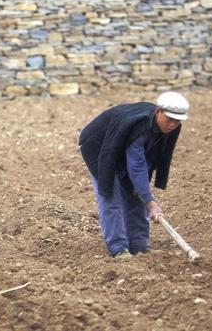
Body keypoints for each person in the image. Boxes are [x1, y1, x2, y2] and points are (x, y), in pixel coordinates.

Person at [78, 91, 190, 259]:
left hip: (123, 148)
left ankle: (139, 245)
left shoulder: (171, 128)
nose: (173, 124)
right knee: (111, 196)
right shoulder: (139, 126)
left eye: (177, 120)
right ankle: (118, 247)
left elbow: (154, 156)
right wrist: (151, 202)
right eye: (169, 119)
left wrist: (142, 190)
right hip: (100, 148)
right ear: (157, 111)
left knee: (135, 194)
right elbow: (136, 166)